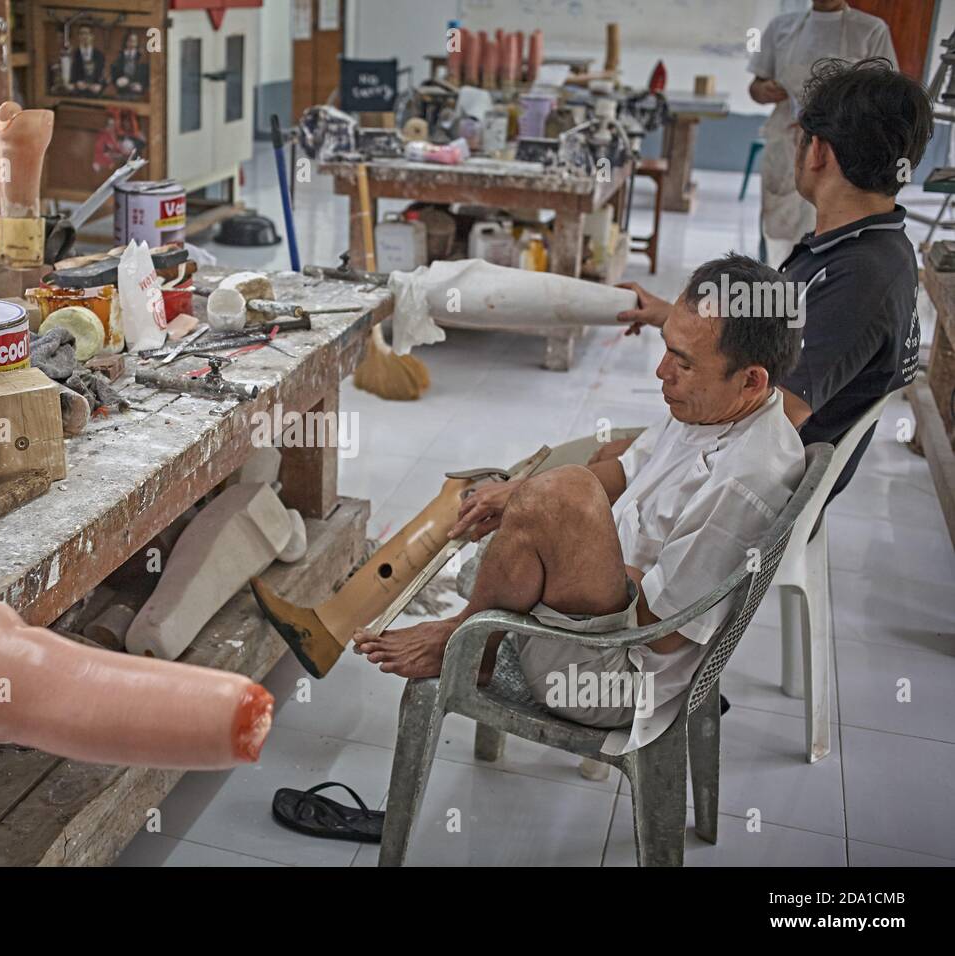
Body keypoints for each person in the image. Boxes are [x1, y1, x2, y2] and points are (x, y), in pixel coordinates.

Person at [354, 255, 806, 754]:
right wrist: (524, 498)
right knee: (558, 486)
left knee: (564, 494)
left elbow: (662, 635)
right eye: (667, 350)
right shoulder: (712, 406)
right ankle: (476, 636)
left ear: (752, 381)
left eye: (683, 363)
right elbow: (630, 468)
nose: (662, 371)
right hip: (604, 618)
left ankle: (465, 639)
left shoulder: (745, 480)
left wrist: (573, 539)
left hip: (614, 673)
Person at [617, 58, 932, 501]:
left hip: (739, 491)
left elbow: (767, 421)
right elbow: (776, 327)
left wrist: (646, 461)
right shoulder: (858, 246)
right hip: (735, 459)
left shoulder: (861, 278)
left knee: (587, 475)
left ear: (818, 151)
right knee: (600, 465)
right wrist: (671, 316)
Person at [748, 1, 895, 266]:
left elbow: (885, 98)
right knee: (780, 233)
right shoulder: (781, 27)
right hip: (787, 146)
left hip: (842, 152)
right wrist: (764, 90)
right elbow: (755, 87)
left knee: (834, 232)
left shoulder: (871, 30)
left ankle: (824, 292)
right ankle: (780, 291)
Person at [70, 24, 106, 95]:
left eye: (87, 33)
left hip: (95, 91)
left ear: (92, 36)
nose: (84, 36)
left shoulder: (99, 55)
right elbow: (70, 74)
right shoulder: (73, 54)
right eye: (81, 34)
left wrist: (99, 84)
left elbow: (102, 74)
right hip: (77, 91)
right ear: (78, 37)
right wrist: (76, 82)